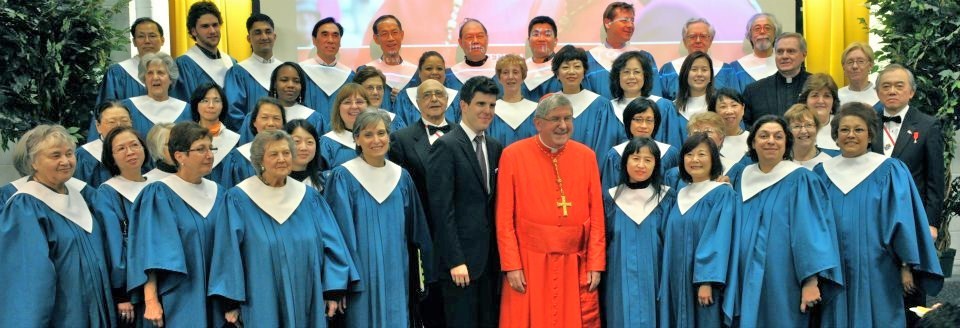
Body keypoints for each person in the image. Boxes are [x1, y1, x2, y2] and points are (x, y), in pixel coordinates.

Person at [208, 129, 358, 327]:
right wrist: (231, 302)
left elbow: (332, 244)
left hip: (307, 294)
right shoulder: (239, 199)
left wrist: (333, 289)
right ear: (259, 160)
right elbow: (228, 251)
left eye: (286, 153)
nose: (282, 159)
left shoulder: (308, 197)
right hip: (260, 297)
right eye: (274, 154)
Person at [814, 102, 943, 327]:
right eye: (844, 130)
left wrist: (905, 266)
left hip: (879, 267)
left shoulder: (890, 170)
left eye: (858, 129)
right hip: (833, 267)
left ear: (871, 134)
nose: (851, 135)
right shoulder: (821, 174)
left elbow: (903, 222)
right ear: (835, 135)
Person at [496, 94, 605, 327]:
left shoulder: (586, 156)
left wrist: (595, 264)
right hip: (529, 262)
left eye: (568, 118)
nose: (563, 125)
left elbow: (597, 216)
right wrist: (511, 265)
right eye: (555, 118)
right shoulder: (513, 155)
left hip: (574, 263)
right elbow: (504, 218)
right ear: (538, 123)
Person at [727, 115, 843, 328]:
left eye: (778, 136)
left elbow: (810, 233)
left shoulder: (800, 179)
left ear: (786, 143)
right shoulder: (739, 176)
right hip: (743, 274)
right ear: (753, 142)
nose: (771, 141)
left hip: (783, 277)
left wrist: (810, 281)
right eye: (763, 136)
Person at [324, 109, 434, 327]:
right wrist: (339, 283)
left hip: (397, 270)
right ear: (356, 139)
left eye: (381, 133)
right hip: (359, 276)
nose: (376, 140)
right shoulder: (343, 177)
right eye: (368, 134)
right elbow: (337, 237)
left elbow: (416, 232)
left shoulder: (401, 177)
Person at [0, 125, 116, 327]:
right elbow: (28, 278)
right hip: (62, 315)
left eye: (69, 153)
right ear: (33, 162)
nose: (66, 161)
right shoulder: (26, 206)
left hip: (96, 309)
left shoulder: (82, 195)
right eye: (55, 155)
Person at [127, 121, 227, 328]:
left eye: (211, 148)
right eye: (201, 149)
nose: (209, 155)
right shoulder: (160, 194)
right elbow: (150, 253)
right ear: (180, 156)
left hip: (216, 294)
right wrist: (151, 300)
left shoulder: (220, 193)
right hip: (179, 297)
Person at [869, 64, 945, 325]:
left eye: (899, 85)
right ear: (877, 91)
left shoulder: (928, 125)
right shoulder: (865, 124)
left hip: (912, 220)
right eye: (886, 86)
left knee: (910, 291)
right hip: (872, 220)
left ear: (911, 91)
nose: (892, 91)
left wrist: (931, 223)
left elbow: (935, 181)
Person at [425, 76, 503, 327]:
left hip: (490, 262)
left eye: (492, 105)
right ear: (463, 105)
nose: (487, 111)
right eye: (481, 104)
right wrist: (455, 260)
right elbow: (441, 210)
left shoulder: (494, 146)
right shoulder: (445, 146)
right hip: (460, 265)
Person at [658, 133, 739, 327]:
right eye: (689, 154)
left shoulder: (722, 193)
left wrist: (706, 281)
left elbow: (718, 239)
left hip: (705, 283)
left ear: (713, 159)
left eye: (702, 154)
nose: (694, 160)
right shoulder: (679, 194)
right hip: (677, 278)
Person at [602, 137, 676, 327]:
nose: (641, 165)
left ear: (656, 165)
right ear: (625, 161)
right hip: (618, 277)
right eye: (635, 158)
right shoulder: (610, 199)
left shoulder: (667, 198)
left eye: (648, 160)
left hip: (656, 276)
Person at [94, 126, 153, 326]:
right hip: (134, 287)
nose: (130, 152)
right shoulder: (108, 193)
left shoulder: (157, 187)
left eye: (134, 145)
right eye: (121, 149)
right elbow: (113, 246)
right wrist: (122, 294)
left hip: (165, 281)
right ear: (111, 157)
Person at [552, 44, 626, 162]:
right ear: (557, 74)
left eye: (577, 67)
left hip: (590, 171)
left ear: (584, 72)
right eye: (565, 67)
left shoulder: (601, 106)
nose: (572, 72)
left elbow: (605, 146)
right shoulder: (549, 105)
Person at [96, 52, 191, 141]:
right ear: (144, 79)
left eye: (160, 72)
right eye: (150, 73)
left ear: (170, 78)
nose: (155, 77)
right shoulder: (127, 107)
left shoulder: (187, 110)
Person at [584, 2, 662, 99]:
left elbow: (655, 98)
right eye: (624, 20)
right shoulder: (588, 59)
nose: (630, 25)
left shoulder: (645, 58)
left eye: (632, 20)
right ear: (608, 23)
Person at [600, 97, 679, 189]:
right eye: (638, 119)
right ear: (628, 121)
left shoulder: (669, 153)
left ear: (655, 123)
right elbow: (608, 194)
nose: (644, 126)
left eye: (649, 120)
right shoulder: (614, 155)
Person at [610, 51, 683, 147]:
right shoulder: (608, 110)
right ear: (617, 77)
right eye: (626, 72)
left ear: (645, 76)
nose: (631, 77)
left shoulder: (664, 107)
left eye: (637, 72)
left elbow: (672, 145)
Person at [239, 62, 325, 143]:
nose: (290, 85)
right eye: (284, 80)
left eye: (296, 81)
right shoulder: (255, 117)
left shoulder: (314, 118)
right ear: (274, 84)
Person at [224, 13, 282, 130]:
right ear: (249, 39)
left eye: (268, 32)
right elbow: (233, 112)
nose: (264, 37)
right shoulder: (238, 72)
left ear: (274, 36)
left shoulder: (285, 70)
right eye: (258, 32)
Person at [658, 18, 737, 100]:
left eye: (703, 36)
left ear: (711, 40)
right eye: (692, 36)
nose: (698, 40)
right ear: (684, 41)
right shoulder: (668, 70)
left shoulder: (726, 71)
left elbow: (734, 102)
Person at [742, 33, 811, 125]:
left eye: (791, 51)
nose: (784, 56)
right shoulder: (754, 90)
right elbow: (746, 127)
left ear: (804, 55)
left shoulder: (817, 87)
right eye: (780, 51)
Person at [172, 1, 236, 101]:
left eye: (215, 25)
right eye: (205, 26)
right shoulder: (183, 65)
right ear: (193, 31)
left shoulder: (232, 62)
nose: (212, 31)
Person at [218, 97, 286, 188]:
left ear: (283, 123)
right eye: (264, 118)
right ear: (254, 122)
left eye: (276, 118)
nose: (271, 123)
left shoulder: (290, 156)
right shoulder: (237, 157)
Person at [96, 17, 163, 105]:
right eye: (141, 36)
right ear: (134, 42)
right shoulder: (117, 73)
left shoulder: (174, 71)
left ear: (162, 40)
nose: (147, 41)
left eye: (152, 36)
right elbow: (106, 111)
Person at [300, 17, 355, 118]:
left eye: (335, 36)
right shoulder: (300, 71)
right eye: (325, 35)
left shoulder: (350, 76)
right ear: (314, 40)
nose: (330, 40)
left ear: (340, 41)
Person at [360, 15, 417, 111]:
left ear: (402, 35)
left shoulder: (416, 73)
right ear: (376, 39)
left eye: (395, 32)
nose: (390, 38)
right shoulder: (365, 71)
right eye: (384, 34)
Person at [190, 83, 240, 184]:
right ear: (196, 105)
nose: (211, 105)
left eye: (216, 101)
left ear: (223, 105)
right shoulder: (187, 138)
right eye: (205, 101)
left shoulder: (235, 140)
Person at [76, 101, 134, 187]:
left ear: (131, 123)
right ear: (98, 126)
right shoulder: (83, 157)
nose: (119, 126)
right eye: (111, 122)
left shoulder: (140, 151)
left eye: (124, 120)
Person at [394, 51, 461, 126]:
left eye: (439, 68)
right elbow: (400, 131)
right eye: (429, 68)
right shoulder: (404, 97)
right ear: (419, 72)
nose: (435, 72)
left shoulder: (456, 99)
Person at [490, 54, 538, 146]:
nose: (510, 77)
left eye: (515, 72)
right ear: (499, 79)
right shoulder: (492, 111)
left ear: (523, 77)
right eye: (505, 72)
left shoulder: (536, 111)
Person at [319, 83, 370, 168]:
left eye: (359, 102)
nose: (354, 106)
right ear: (338, 108)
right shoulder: (327, 144)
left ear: (368, 106)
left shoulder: (378, 139)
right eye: (347, 102)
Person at [671, 51, 716, 144]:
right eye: (694, 69)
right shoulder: (671, 109)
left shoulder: (719, 107)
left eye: (704, 70)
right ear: (685, 74)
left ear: (711, 76)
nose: (699, 74)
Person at [731, 13, 781, 92]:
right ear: (750, 35)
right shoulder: (736, 68)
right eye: (757, 29)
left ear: (775, 33)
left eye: (767, 28)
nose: (762, 31)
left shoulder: (786, 64)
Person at [445, 19, 497, 91]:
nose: (475, 41)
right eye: (469, 37)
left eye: (480, 36)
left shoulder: (501, 72)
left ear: (487, 39)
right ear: (460, 42)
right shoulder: (449, 76)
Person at [799, 73, 842, 153]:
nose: (821, 101)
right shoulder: (795, 128)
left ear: (834, 101)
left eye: (827, 96)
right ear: (805, 100)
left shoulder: (843, 127)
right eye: (815, 95)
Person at [523, 16, 561, 101]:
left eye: (547, 35)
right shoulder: (520, 69)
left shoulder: (563, 69)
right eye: (536, 34)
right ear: (529, 41)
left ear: (555, 41)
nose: (541, 39)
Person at [785, 104, 835, 169]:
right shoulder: (779, 161)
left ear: (817, 128)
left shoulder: (832, 160)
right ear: (788, 131)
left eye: (809, 125)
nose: (803, 131)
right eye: (797, 126)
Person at [284, 119, 326, 190]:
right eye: (296, 141)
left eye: (309, 142)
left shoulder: (324, 183)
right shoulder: (272, 182)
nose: (303, 148)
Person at [709, 88, 750, 161]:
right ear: (714, 112)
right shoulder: (708, 141)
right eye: (723, 106)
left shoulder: (753, 140)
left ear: (743, 109)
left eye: (734, 105)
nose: (729, 111)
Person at [838, 42, 880, 107]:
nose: (855, 66)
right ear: (844, 68)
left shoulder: (880, 94)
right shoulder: (837, 96)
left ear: (870, 65)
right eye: (850, 62)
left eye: (860, 61)